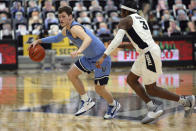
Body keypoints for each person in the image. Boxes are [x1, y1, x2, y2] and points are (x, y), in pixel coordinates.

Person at [96, 0, 195, 124]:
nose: (120, 13)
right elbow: (137, 43)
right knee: (131, 79)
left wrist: (103, 56)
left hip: (148, 53)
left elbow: (117, 39)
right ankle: (152, 106)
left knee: (151, 89)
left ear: (125, 10)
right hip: (145, 52)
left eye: (121, 10)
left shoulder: (125, 20)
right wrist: (120, 47)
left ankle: (186, 101)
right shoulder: (140, 19)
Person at [28, 6, 120, 119]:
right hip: (89, 58)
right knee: (71, 74)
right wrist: (39, 41)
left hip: (101, 58)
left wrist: (79, 50)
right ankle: (86, 100)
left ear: (70, 17)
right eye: (59, 17)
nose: (61, 19)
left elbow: (88, 39)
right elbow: (56, 38)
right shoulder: (66, 30)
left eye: (63, 17)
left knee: (99, 89)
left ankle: (114, 105)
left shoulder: (75, 28)